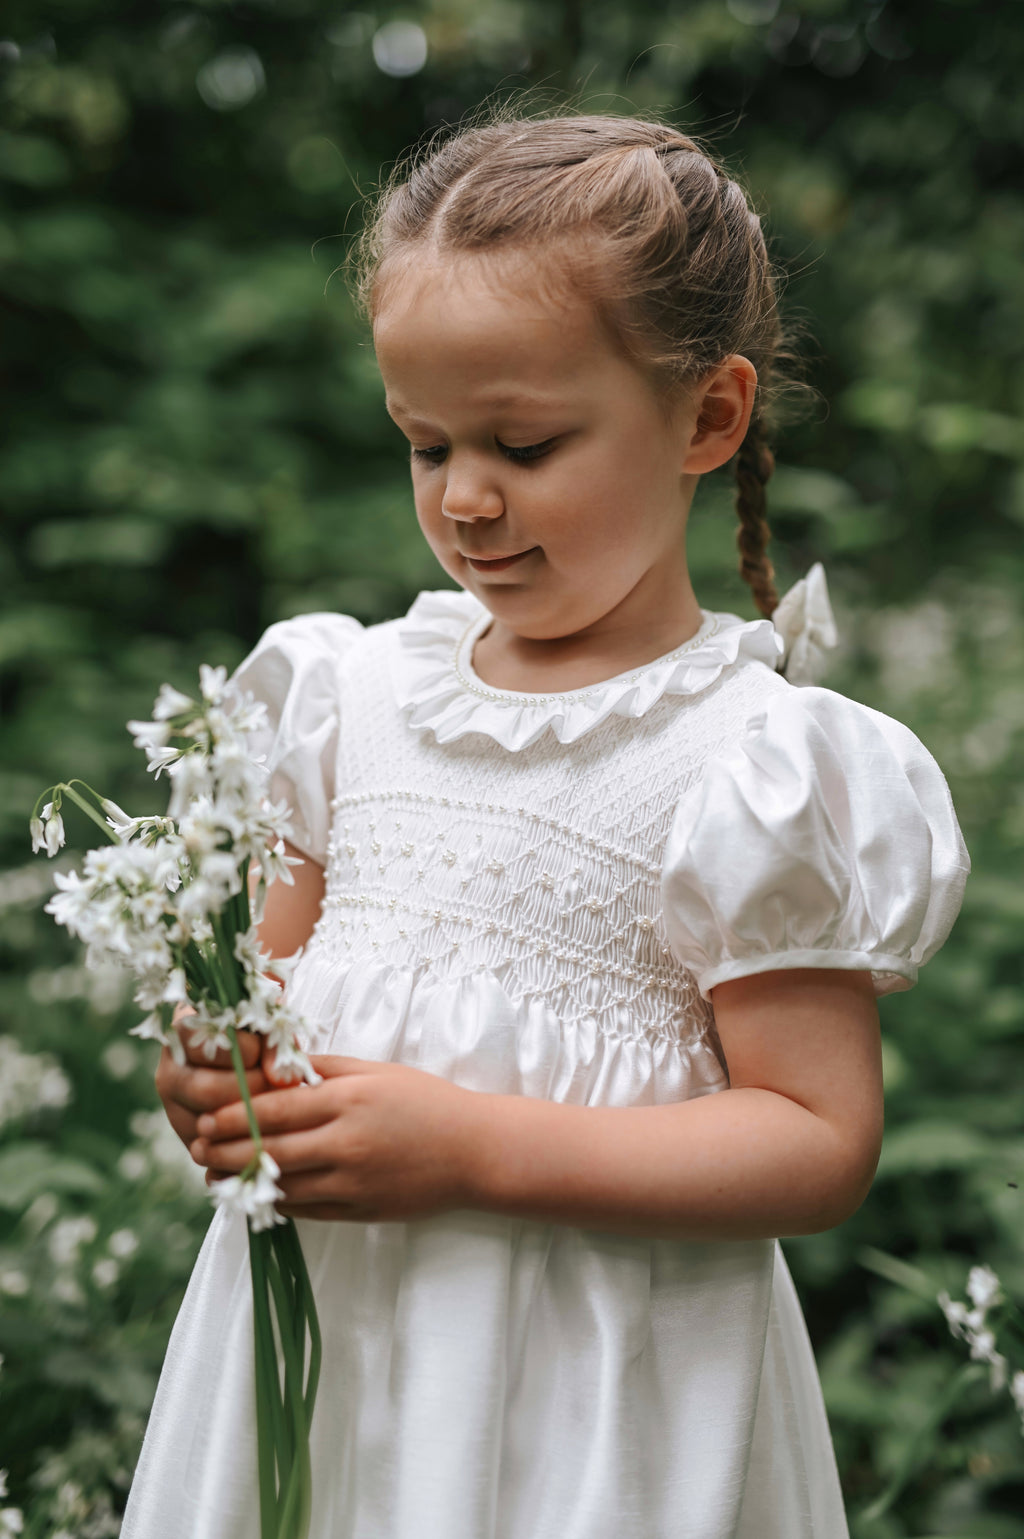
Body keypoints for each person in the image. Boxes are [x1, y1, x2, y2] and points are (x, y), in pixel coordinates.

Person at [122, 113, 970, 1539]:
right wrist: (216, 1085)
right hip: (330, 1365)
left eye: (524, 441)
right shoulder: (351, 697)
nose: (462, 498)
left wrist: (472, 1151)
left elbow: (817, 1139)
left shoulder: (750, 765)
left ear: (707, 417)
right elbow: (255, 1012)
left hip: (600, 1409)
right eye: (425, 443)